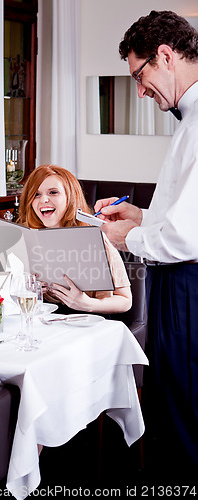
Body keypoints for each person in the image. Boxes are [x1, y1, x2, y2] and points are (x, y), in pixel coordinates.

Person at [94, 10, 198, 478]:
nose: (139, 90)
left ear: (165, 56)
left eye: (140, 75)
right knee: (170, 403)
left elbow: (185, 236)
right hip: (179, 285)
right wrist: (142, 216)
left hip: (188, 290)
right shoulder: (188, 121)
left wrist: (126, 236)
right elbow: (179, 218)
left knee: (183, 412)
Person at [18, 164, 132, 315]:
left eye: (53, 192)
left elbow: (125, 301)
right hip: (43, 323)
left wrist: (87, 304)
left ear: (70, 198)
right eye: (36, 194)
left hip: (89, 323)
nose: (43, 199)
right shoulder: (25, 238)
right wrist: (28, 288)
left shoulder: (96, 238)